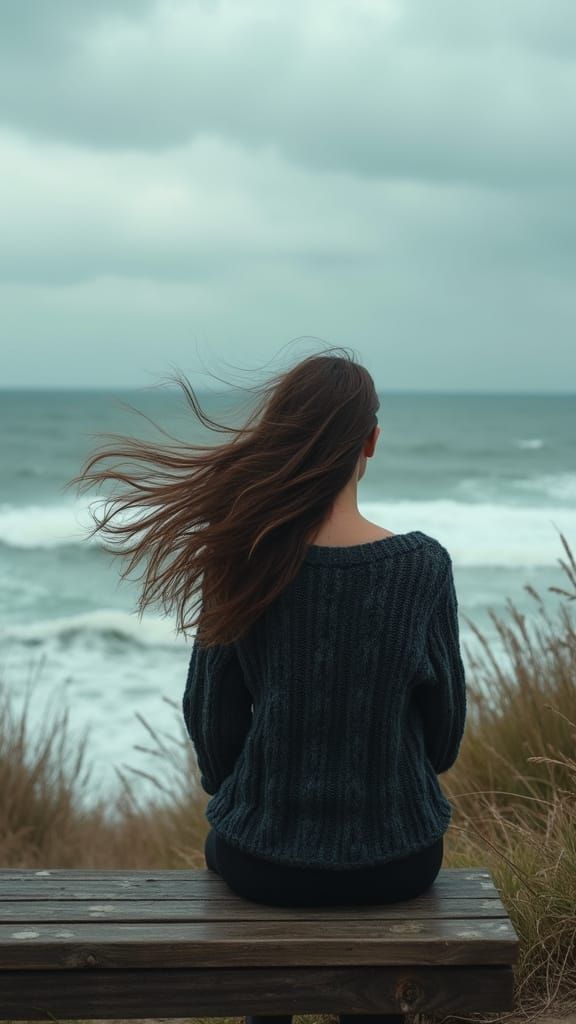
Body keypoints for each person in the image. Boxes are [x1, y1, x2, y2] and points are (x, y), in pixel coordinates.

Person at [69, 348, 467, 1024]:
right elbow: (446, 735)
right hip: (400, 858)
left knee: (259, 962)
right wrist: (381, 792)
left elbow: (209, 720)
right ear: (370, 441)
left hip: (263, 862)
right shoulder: (422, 567)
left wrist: (257, 800)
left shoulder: (243, 557)